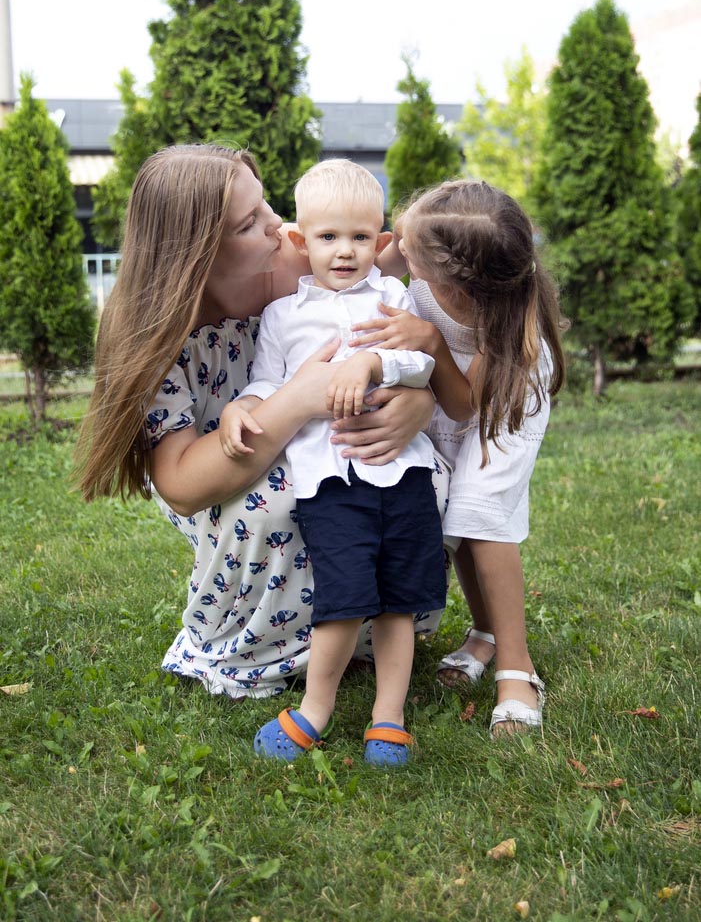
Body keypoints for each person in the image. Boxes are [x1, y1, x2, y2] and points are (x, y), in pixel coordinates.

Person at [73, 143, 447, 703]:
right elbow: (179, 486)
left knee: (412, 475)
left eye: (266, 203)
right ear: (196, 255)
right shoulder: (148, 331)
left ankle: (369, 631)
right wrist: (297, 399)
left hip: (331, 429)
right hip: (217, 458)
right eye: (251, 222)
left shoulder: (303, 254)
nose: (279, 225)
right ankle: (271, 647)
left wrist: (418, 396)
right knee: (278, 500)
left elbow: (417, 279)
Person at [219, 159, 447, 766]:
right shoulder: (284, 316)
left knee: (400, 599)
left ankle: (388, 718)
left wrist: (373, 364)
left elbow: (421, 365)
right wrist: (241, 407)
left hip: (403, 471)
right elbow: (267, 382)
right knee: (343, 599)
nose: (344, 252)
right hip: (330, 480)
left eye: (359, 237)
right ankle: (314, 712)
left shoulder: (394, 297)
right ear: (300, 240)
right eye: (327, 237)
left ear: (382, 242)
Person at [350, 179, 566, 736]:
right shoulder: (415, 242)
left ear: (458, 283)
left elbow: (466, 401)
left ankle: (517, 668)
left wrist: (432, 342)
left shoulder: (506, 322)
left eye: (407, 251)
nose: (396, 250)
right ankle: (485, 633)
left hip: (505, 398)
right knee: (452, 511)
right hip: (447, 390)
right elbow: (365, 256)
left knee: (481, 511)